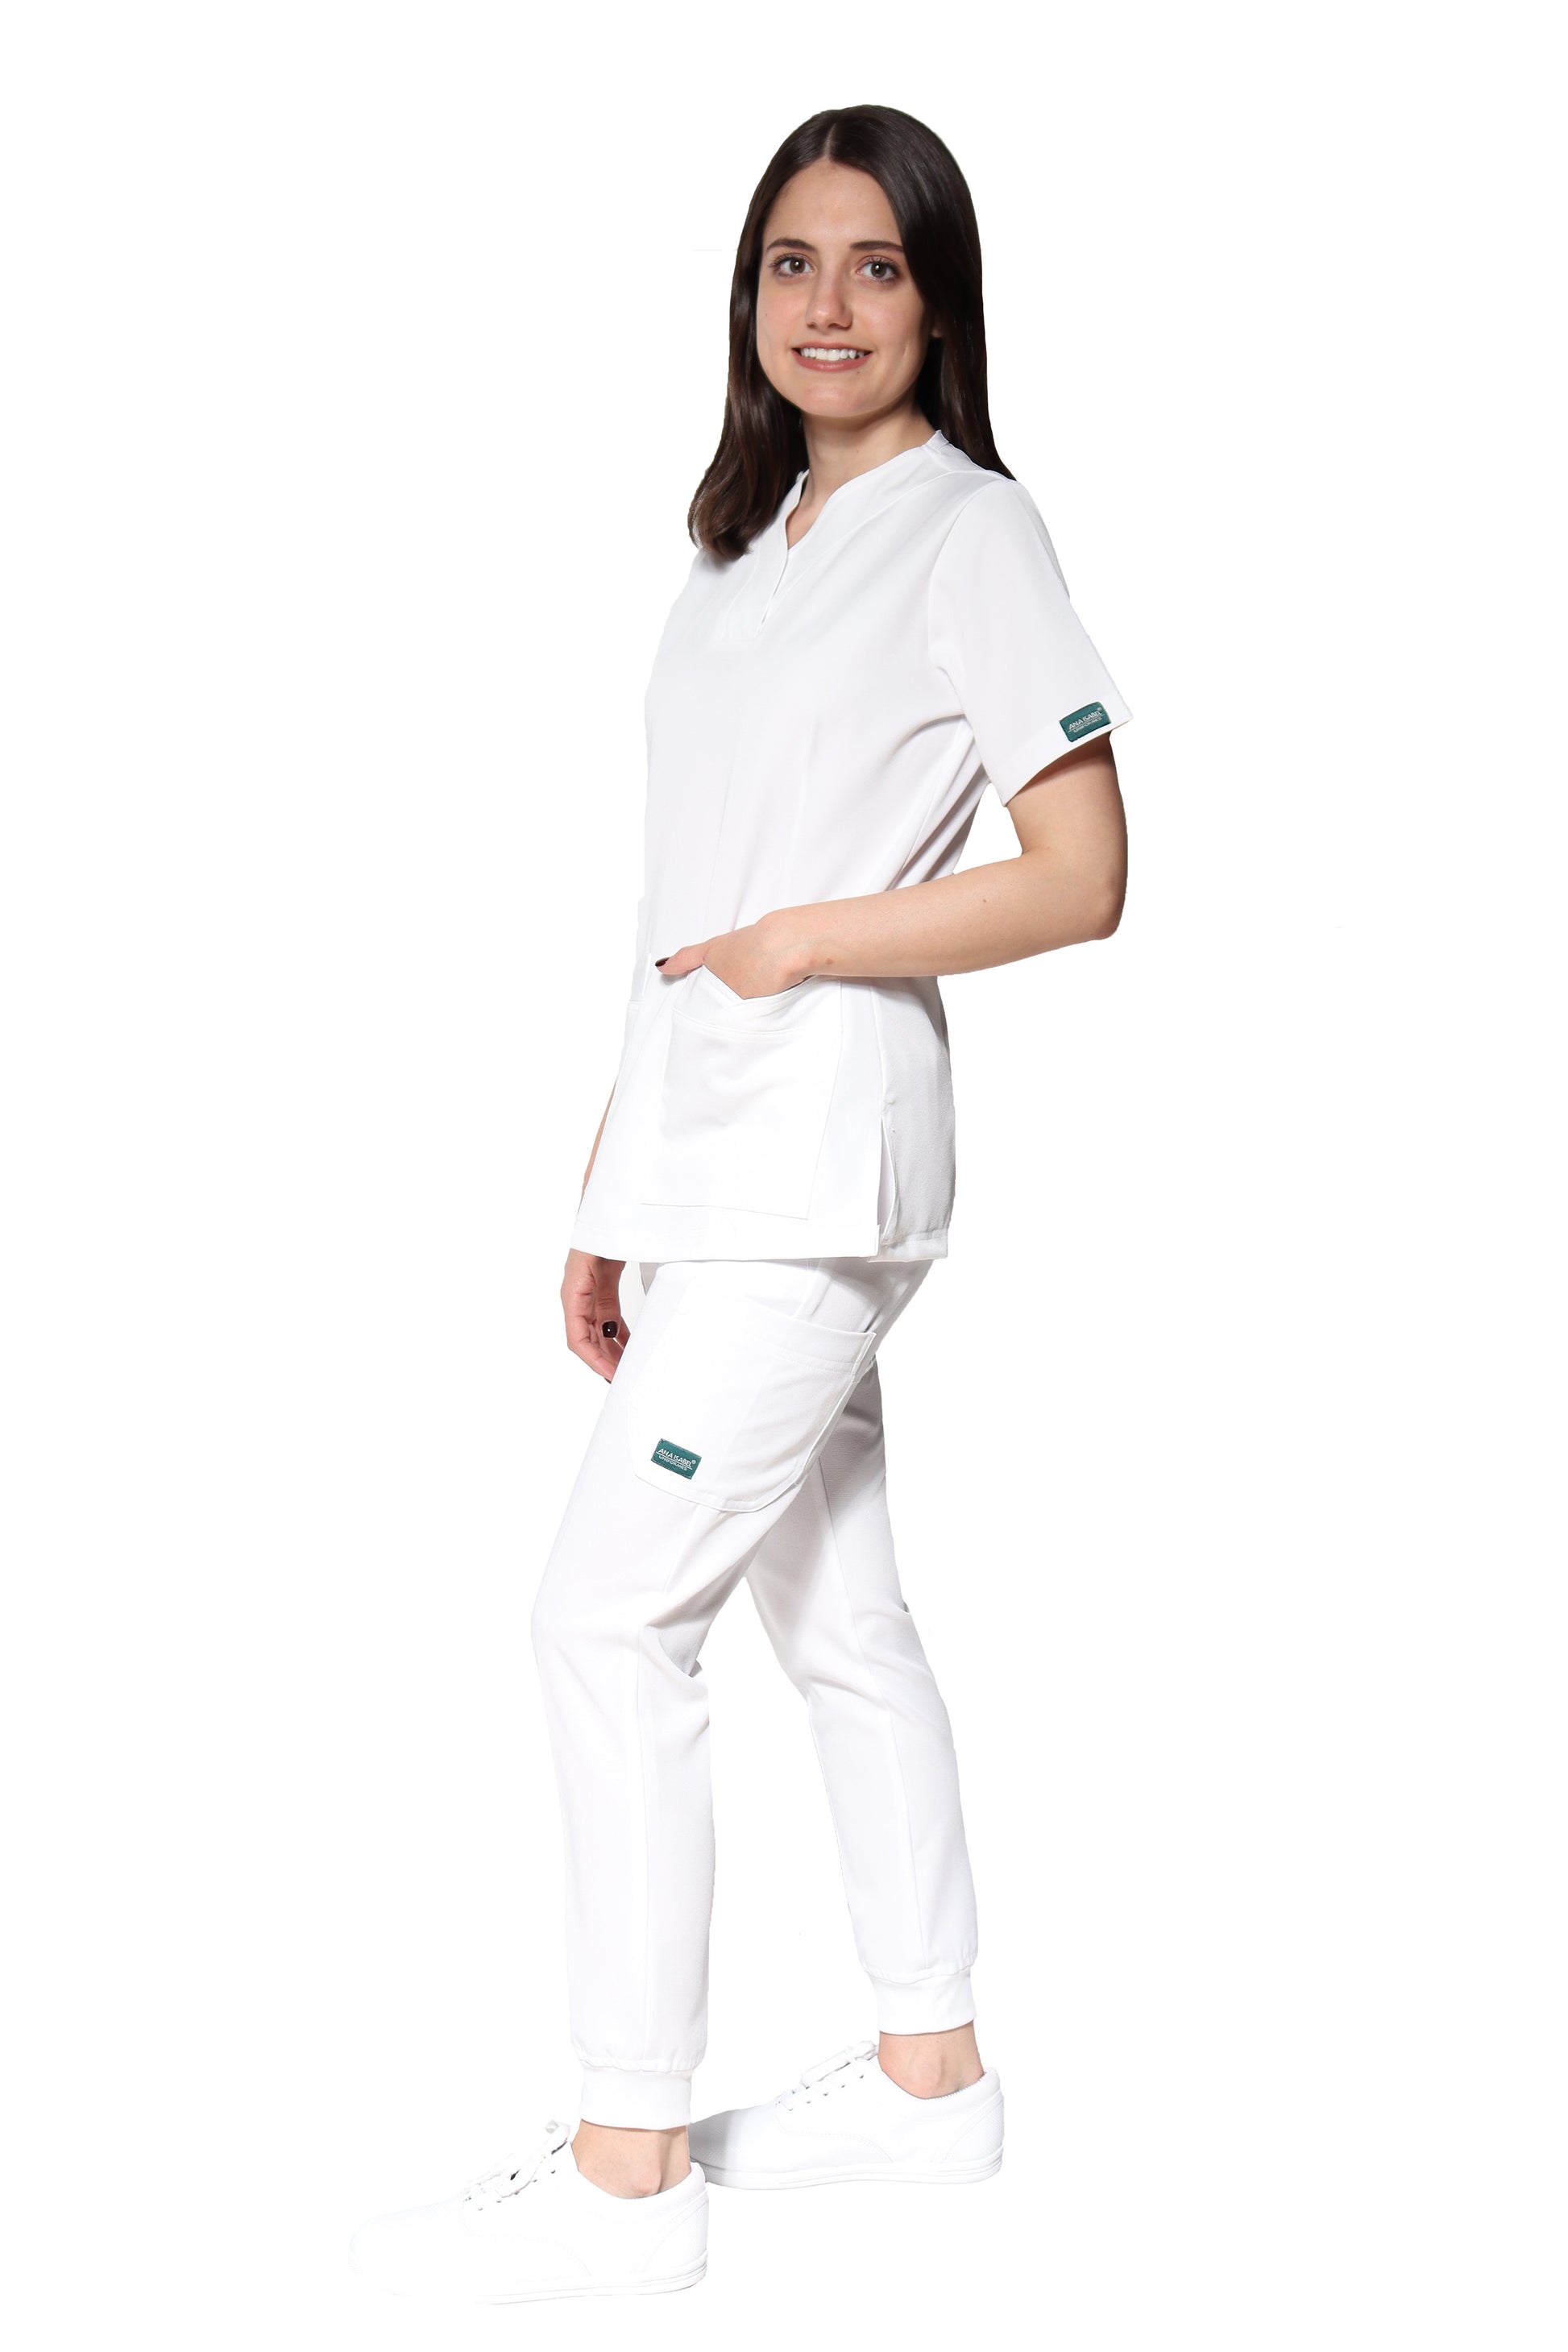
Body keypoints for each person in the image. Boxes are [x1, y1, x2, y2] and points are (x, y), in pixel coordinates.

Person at [351, 101, 1130, 2305]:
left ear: (940, 302)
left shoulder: (971, 530)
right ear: (748, 297)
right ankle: (929, 2079)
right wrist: (610, 1187)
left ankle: (627, 2178)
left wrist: (808, 944)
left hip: (817, 1167)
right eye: (794, 261)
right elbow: (674, 899)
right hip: (704, 1169)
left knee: (604, 1621)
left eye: (878, 265)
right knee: (840, 1620)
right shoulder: (733, 549)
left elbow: (1083, 876)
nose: (829, 304)